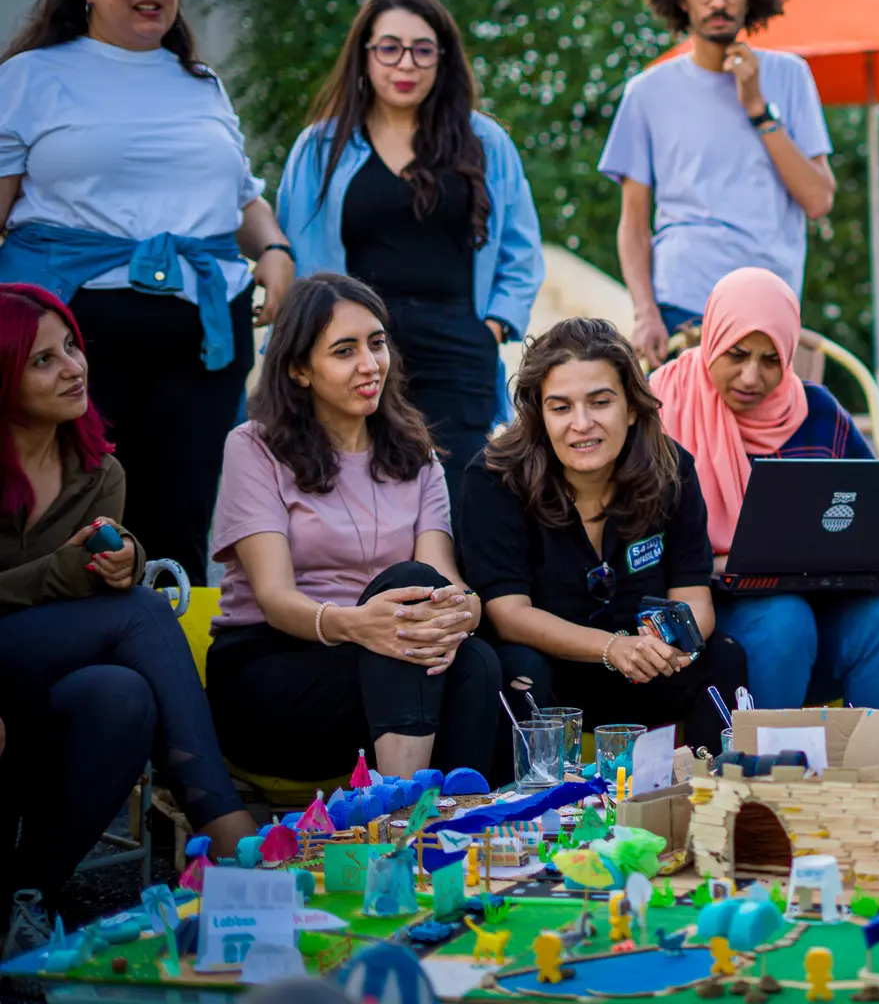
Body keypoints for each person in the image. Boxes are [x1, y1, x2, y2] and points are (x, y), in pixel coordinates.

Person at [0, 0, 297, 584]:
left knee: (184, 521)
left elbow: (240, 195)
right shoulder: (30, 78)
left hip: (204, 336)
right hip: (76, 338)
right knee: (85, 523)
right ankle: (90, 672)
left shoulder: (200, 83)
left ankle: (176, 670)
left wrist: (275, 251)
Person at [0, 283, 254, 946]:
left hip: (41, 670)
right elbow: (71, 589)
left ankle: (25, 893)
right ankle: (227, 829)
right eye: (42, 360)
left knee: (122, 695)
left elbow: (90, 593)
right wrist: (73, 574)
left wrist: (122, 560)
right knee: (141, 611)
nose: (73, 367)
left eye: (72, 349)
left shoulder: (97, 471)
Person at [206, 275, 497, 781]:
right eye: (344, 351)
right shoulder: (254, 448)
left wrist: (465, 612)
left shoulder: (418, 458)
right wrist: (361, 625)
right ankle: (405, 827)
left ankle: (450, 830)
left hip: (384, 660)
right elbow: (274, 599)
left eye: (377, 343)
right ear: (299, 369)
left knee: (477, 663)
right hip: (274, 668)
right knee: (406, 643)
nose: (370, 364)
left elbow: (442, 577)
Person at [276, 0, 544, 514]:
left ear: (443, 60)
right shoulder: (319, 147)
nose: (407, 63)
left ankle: (455, 600)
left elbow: (521, 249)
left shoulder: (485, 142)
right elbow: (299, 256)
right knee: (352, 502)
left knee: (456, 505)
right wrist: (315, 345)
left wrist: (490, 326)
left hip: (457, 349)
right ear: (365, 55)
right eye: (390, 48)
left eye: (423, 49)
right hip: (353, 353)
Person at [459, 318, 747, 756]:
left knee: (723, 655)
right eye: (560, 407)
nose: (582, 423)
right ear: (539, 413)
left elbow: (693, 595)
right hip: (553, 667)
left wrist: (667, 645)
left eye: (600, 402)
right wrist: (613, 648)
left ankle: (711, 802)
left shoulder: (672, 469)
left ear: (631, 407)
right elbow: (508, 613)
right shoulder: (494, 478)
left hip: (645, 662)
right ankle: (530, 811)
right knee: (517, 666)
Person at [651, 267, 879, 710]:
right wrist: (715, 565)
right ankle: (765, 773)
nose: (750, 377)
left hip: (821, 601)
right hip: (710, 608)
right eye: (736, 354)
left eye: (770, 359)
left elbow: (872, 509)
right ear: (712, 340)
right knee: (783, 619)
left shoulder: (816, 412)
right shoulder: (662, 408)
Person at [601, 0, 834, 364]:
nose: (718, 1)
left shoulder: (789, 76)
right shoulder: (647, 92)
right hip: (682, 301)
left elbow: (818, 200)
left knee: (769, 439)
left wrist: (757, 109)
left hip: (771, 299)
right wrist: (645, 312)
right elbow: (633, 223)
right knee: (684, 439)